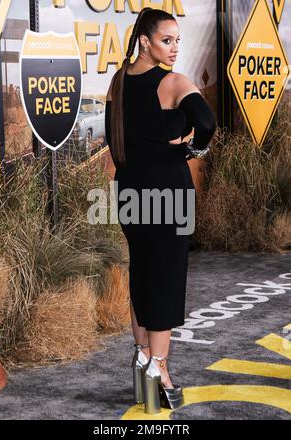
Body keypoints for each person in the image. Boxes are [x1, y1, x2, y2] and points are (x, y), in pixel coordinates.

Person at [104, 7, 216, 414]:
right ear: (145, 42)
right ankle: (159, 369)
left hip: (130, 190)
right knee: (166, 278)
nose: (174, 49)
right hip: (170, 192)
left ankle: (140, 358)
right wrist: (193, 148)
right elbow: (206, 119)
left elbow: (114, 140)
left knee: (142, 271)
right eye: (166, 40)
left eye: (178, 41)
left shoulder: (117, 82)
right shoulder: (173, 83)